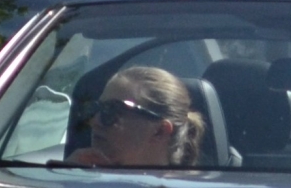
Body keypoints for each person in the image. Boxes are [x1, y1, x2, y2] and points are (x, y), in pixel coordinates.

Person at [68, 66, 205, 168]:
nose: (95, 121)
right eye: (96, 108)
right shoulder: (79, 182)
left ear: (159, 131)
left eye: (111, 111)